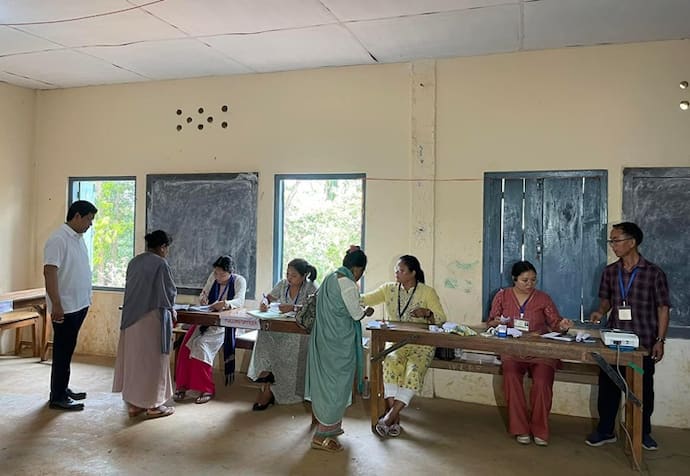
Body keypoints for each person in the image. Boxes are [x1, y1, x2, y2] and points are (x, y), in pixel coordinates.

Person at [586, 222, 670, 451]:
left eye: (616, 240)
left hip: (642, 344)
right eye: (611, 240)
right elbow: (606, 301)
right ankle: (605, 430)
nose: (612, 245)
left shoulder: (654, 273)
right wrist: (600, 311)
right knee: (609, 386)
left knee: (642, 388)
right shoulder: (610, 272)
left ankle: (642, 433)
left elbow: (663, 308)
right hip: (614, 342)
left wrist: (660, 341)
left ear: (632, 242)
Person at [487, 260, 573, 446]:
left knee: (542, 382)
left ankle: (540, 430)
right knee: (510, 376)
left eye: (533, 280)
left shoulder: (543, 298)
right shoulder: (502, 296)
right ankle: (520, 429)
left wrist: (563, 326)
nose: (529, 284)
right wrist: (498, 322)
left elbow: (555, 322)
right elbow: (491, 321)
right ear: (514, 279)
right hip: (513, 348)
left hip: (540, 349)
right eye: (524, 280)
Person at [361, 255, 447, 438]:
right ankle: (395, 420)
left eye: (401, 270)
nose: (396, 273)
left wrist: (427, 312)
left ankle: (388, 417)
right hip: (397, 343)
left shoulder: (427, 292)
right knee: (390, 363)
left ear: (413, 273)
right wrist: (343, 295)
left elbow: (441, 318)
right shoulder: (389, 289)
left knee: (413, 372)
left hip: (422, 344)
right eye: (396, 270)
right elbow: (365, 299)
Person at [305, 246, 374, 453]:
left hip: (324, 339)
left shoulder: (330, 278)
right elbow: (355, 314)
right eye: (362, 271)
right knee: (336, 386)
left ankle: (331, 428)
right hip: (339, 344)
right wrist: (366, 311)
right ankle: (322, 435)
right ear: (357, 269)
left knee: (327, 383)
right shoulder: (349, 284)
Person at [112, 230, 177, 419]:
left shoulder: (134, 262)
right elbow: (168, 293)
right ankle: (154, 405)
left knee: (134, 362)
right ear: (163, 247)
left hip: (131, 319)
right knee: (153, 363)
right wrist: (172, 309)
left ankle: (134, 405)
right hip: (152, 319)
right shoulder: (161, 264)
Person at [44, 200, 98, 411]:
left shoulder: (77, 238)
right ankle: (57, 396)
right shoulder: (58, 239)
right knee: (62, 352)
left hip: (79, 305)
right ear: (76, 216)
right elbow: (49, 271)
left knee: (67, 350)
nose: (90, 224)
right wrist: (56, 304)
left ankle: (62, 388)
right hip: (65, 307)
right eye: (88, 219)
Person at [247, 258, 318, 410]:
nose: (289, 278)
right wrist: (264, 302)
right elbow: (269, 297)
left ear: (304, 275)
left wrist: (293, 308)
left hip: (299, 333)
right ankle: (266, 387)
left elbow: (314, 310)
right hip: (279, 327)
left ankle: (281, 392)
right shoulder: (283, 284)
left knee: (288, 348)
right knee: (263, 336)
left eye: (293, 275)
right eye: (288, 274)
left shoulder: (311, 288)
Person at [174, 255, 247, 404]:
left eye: (223, 274)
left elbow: (239, 301)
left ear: (231, 272)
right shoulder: (213, 277)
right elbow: (205, 292)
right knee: (185, 347)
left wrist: (225, 303)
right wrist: (203, 298)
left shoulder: (239, 280)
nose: (218, 277)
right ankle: (182, 386)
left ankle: (207, 388)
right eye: (216, 273)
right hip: (206, 321)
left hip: (226, 325)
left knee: (201, 346)